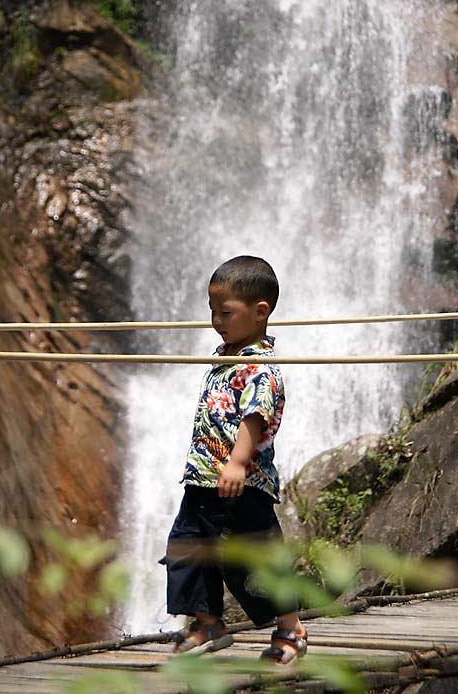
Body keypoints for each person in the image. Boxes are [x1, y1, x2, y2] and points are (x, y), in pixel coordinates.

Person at [161, 255, 307, 665]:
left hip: (242, 482)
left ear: (260, 312)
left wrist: (238, 463)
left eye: (224, 312)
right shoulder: (225, 356)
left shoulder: (259, 366)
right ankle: (208, 622)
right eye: (211, 311)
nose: (215, 320)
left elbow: (254, 418)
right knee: (189, 548)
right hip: (203, 478)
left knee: (259, 556)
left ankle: (291, 626)